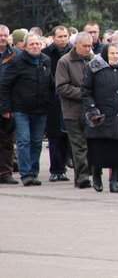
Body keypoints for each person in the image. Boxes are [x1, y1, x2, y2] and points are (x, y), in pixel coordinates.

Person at [0, 33, 54, 186]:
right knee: (24, 141)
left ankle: (33, 172)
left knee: (37, 142)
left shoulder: (46, 60)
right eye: (32, 44)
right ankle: (26, 174)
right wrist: (5, 108)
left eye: (37, 44)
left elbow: (50, 83)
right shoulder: (16, 61)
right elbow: (4, 85)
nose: (35, 46)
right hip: (21, 108)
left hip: (40, 109)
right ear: (25, 46)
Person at [82, 43, 118, 193]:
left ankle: (115, 182)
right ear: (105, 54)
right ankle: (97, 177)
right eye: (112, 53)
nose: (115, 56)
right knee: (99, 150)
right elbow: (86, 91)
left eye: (117, 53)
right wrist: (92, 109)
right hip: (101, 115)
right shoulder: (95, 68)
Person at [56, 32, 95, 188]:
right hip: (72, 111)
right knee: (79, 146)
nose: (88, 49)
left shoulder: (93, 60)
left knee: (91, 144)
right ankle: (82, 177)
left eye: (90, 46)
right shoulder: (64, 62)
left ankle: (87, 174)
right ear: (76, 45)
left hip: (90, 110)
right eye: (85, 46)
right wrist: (84, 94)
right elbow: (62, 87)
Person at [42, 26, 72, 182]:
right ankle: (56, 169)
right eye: (59, 36)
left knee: (67, 135)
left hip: (70, 98)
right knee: (54, 135)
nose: (63, 39)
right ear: (53, 37)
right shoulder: (46, 54)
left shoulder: (74, 52)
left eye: (65, 36)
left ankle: (64, 166)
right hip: (53, 99)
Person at [0, 24, 18, 184]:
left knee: (7, 141)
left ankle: (5, 173)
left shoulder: (15, 55)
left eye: (5, 35)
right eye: (0, 35)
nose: (3, 38)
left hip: (9, 104)